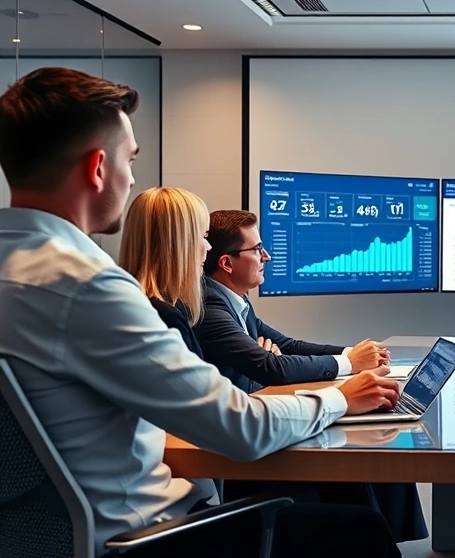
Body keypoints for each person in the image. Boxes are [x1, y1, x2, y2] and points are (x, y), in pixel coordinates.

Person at [0, 67, 404, 558]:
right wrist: (343, 398)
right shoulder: (88, 288)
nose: (131, 179)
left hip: (37, 539)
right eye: (130, 161)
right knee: (360, 532)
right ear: (97, 168)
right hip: (146, 539)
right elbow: (243, 429)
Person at [119, 188, 429, 543]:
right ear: (181, 244)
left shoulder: (153, 312)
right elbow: (239, 412)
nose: (206, 250)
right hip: (188, 505)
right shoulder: (169, 319)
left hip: (189, 489)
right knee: (364, 526)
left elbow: (275, 355)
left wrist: (349, 359)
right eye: (202, 238)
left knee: (357, 488)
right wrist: (340, 396)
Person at [193, 209, 389, 394]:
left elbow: (288, 346)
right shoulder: (209, 306)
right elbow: (272, 368)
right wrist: (351, 362)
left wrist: (354, 353)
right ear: (227, 263)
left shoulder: (236, 300)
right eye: (257, 249)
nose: (266, 257)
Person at [119, 187, 213, 357]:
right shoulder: (164, 317)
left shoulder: (132, 304)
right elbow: (194, 383)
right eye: (204, 236)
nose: (209, 246)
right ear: (180, 244)